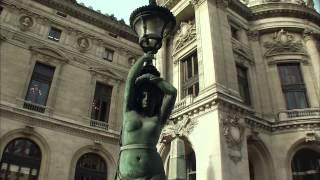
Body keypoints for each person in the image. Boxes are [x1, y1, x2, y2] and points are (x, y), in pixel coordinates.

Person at [115, 53, 177, 180]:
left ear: (157, 99)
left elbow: (172, 92)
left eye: (151, 96)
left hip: (154, 171)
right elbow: (130, 81)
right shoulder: (129, 111)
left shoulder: (159, 118)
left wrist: (152, 78)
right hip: (126, 172)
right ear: (138, 97)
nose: (147, 99)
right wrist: (143, 59)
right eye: (143, 95)